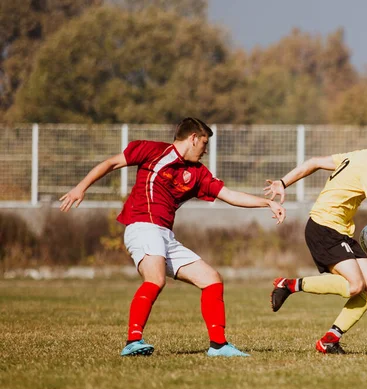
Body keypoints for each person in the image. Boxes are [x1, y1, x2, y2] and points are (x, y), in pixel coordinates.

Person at [60, 117, 285, 357]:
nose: (206, 150)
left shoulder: (197, 173)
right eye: (204, 143)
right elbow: (111, 163)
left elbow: (229, 194)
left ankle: (218, 345)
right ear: (193, 138)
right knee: (155, 279)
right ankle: (133, 341)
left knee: (212, 279)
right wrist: (80, 187)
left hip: (165, 235)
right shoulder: (153, 151)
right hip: (142, 225)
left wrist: (266, 203)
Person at [265, 126, 367, 354]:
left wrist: (283, 181)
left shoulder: (359, 155)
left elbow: (313, 162)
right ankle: (289, 285)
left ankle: (329, 340)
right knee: (355, 285)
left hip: (338, 231)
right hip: (324, 227)